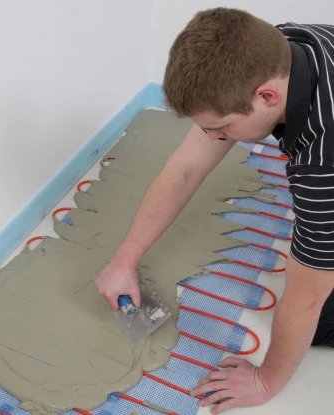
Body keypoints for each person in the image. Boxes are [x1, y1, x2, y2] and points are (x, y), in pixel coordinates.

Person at [95, 7, 334, 413]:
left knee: (316, 320)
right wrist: (124, 261)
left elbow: (307, 299)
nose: (214, 138)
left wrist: (265, 380)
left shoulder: (322, 166)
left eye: (222, 128)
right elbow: (185, 169)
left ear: (268, 96)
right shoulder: (281, 48)